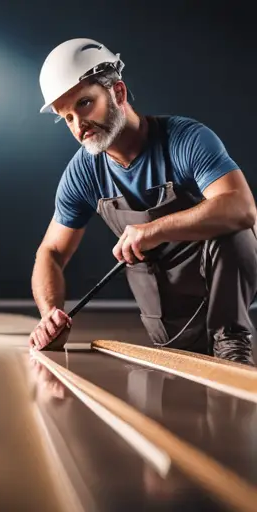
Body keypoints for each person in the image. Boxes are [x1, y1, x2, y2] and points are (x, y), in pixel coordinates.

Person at [29, 38, 257, 365]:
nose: (79, 126)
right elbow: (50, 252)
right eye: (67, 117)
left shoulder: (185, 140)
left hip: (219, 305)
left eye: (84, 104)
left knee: (237, 225)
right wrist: (50, 314)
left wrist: (154, 230)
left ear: (118, 93)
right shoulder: (83, 173)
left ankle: (232, 341)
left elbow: (242, 207)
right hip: (168, 329)